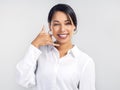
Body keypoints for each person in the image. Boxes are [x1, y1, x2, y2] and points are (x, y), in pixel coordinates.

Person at [16, 3, 96, 90]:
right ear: (50, 27)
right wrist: (35, 44)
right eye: (56, 24)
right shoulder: (40, 52)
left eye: (67, 23)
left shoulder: (85, 61)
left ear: (74, 26)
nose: (62, 29)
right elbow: (22, 80)